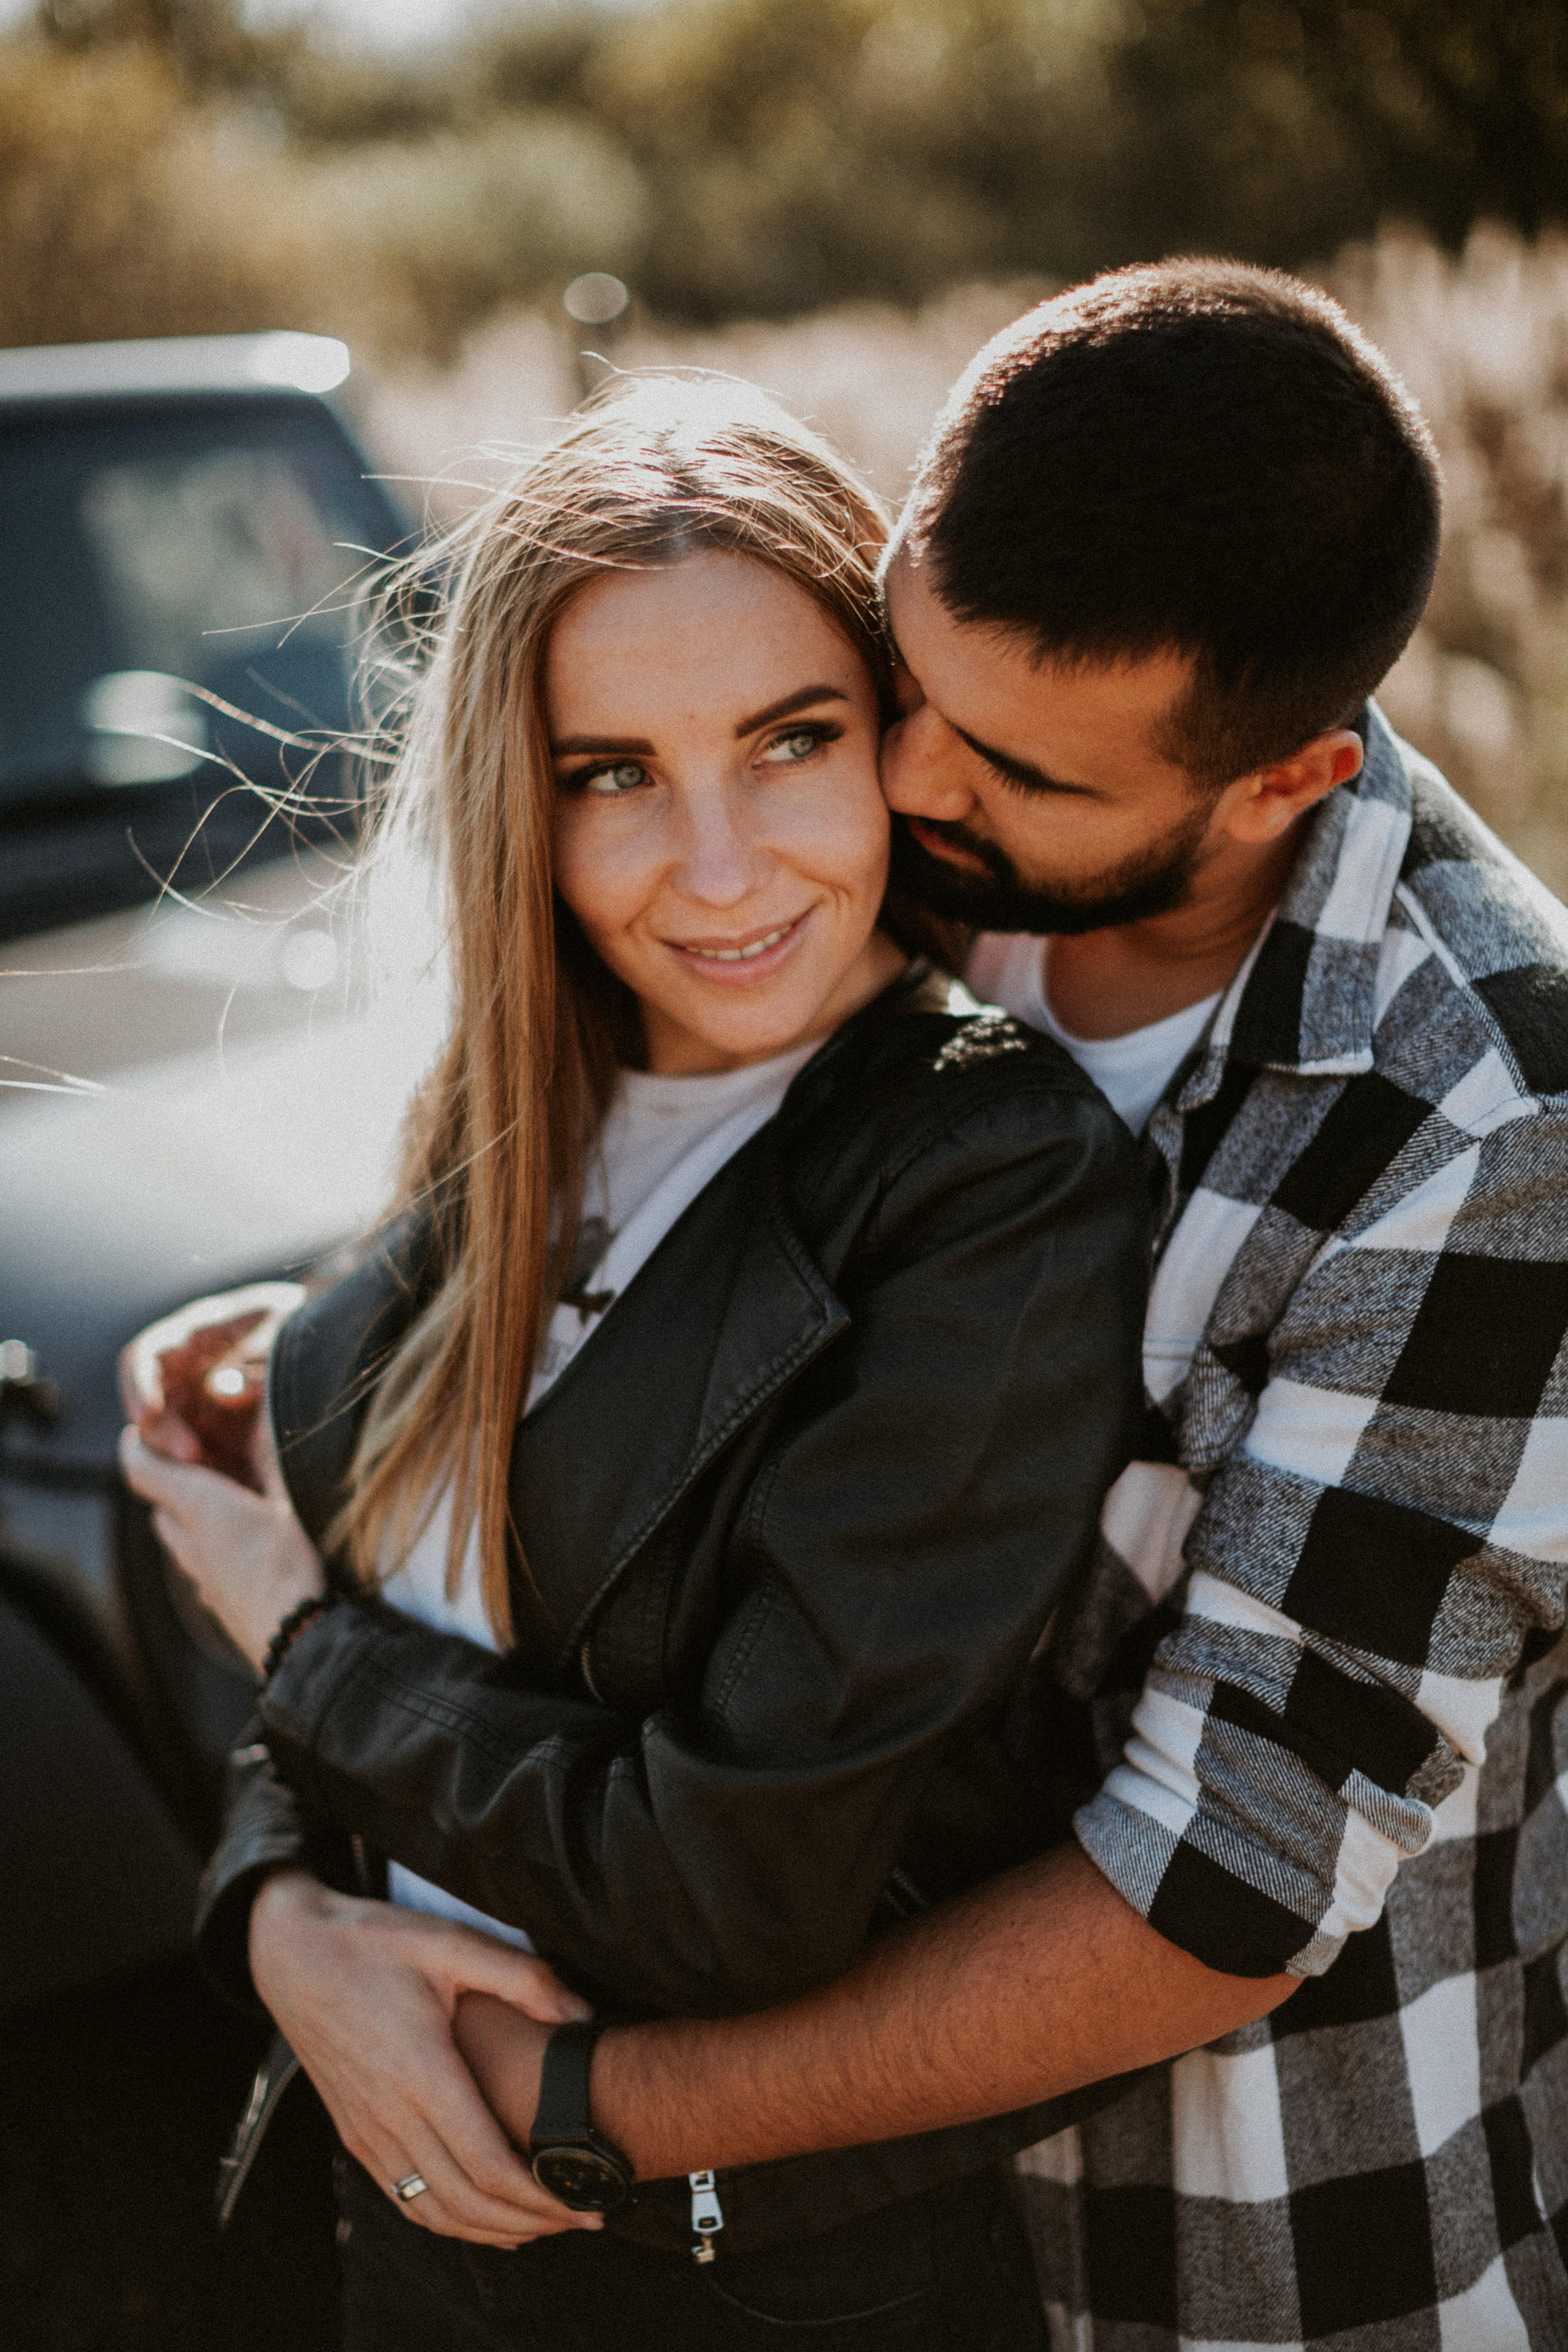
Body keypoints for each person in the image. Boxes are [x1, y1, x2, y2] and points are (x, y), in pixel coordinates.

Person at [142, 258, 1568, 2348]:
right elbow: (551, 1526)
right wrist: (294, 1919)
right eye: (896, 684)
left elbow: (1214, 1892)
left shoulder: (1484, 1141)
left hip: (1245, 2230)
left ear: (1285, 785)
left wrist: (567, 2110)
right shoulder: (821, 898)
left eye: (1006, 771)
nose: (902, 794)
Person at [121, 377, 1153, 2350]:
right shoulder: (514, 1115)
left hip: (759, 2281)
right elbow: (351, 1671)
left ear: (898, 744)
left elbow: (728, 1886)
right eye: (613, 772)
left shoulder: (983, 1174)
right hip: (421, 2241)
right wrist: (286, 1929)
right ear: (525, 793)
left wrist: (287, 1635)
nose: (720, 866)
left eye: (791, 741)